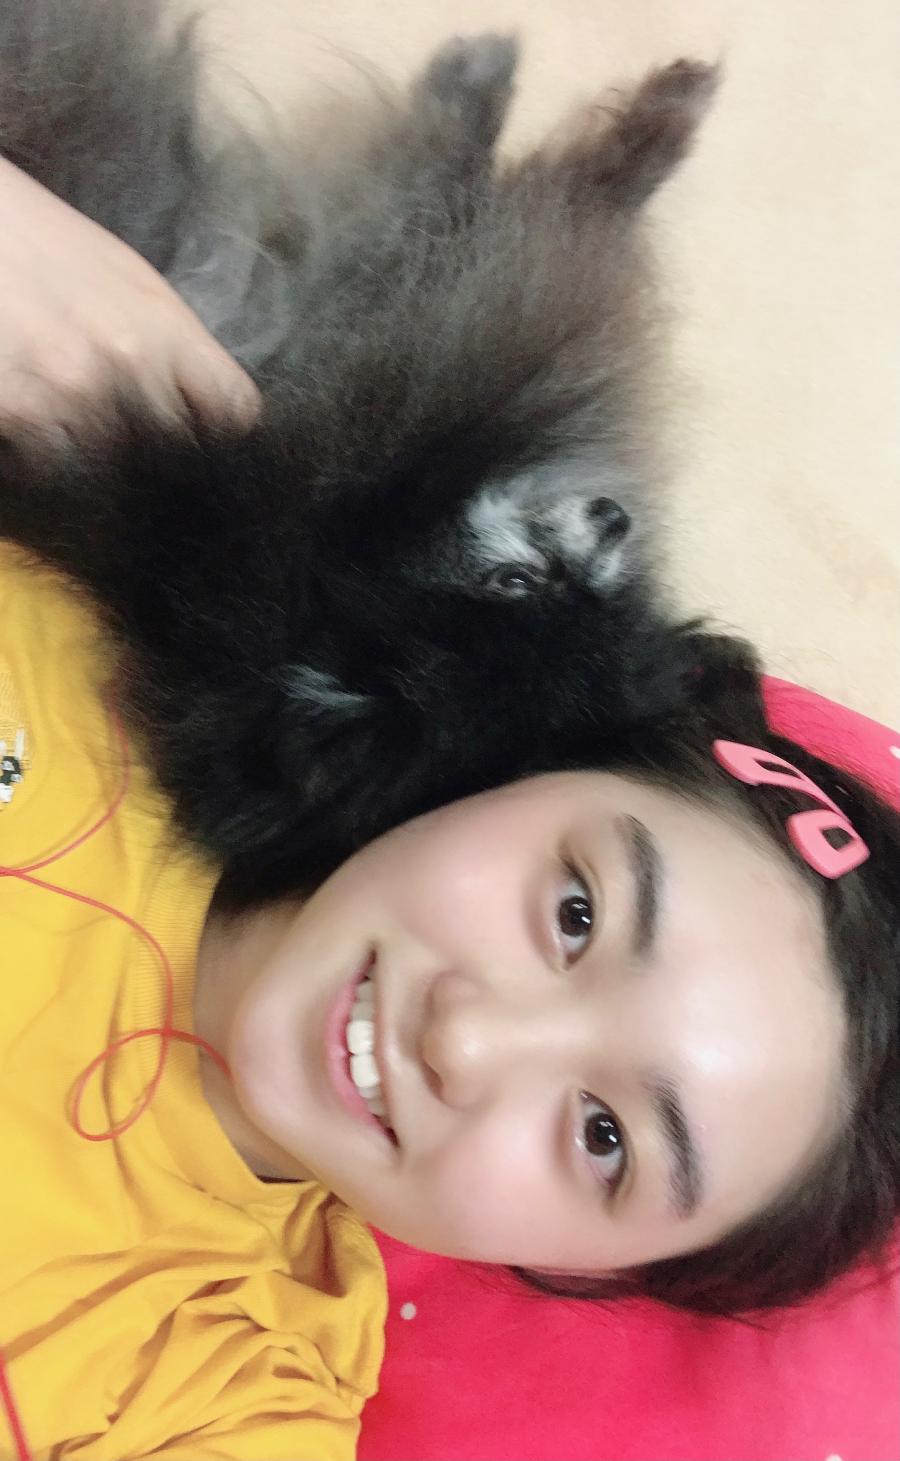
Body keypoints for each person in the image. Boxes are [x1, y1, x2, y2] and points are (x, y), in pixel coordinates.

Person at [2, 163, 899, 1458]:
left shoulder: (217, 1387)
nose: (467, 1039)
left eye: (604, 1137)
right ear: (522, 767)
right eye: (577, 912)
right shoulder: (103, 574)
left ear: (575, 1269)